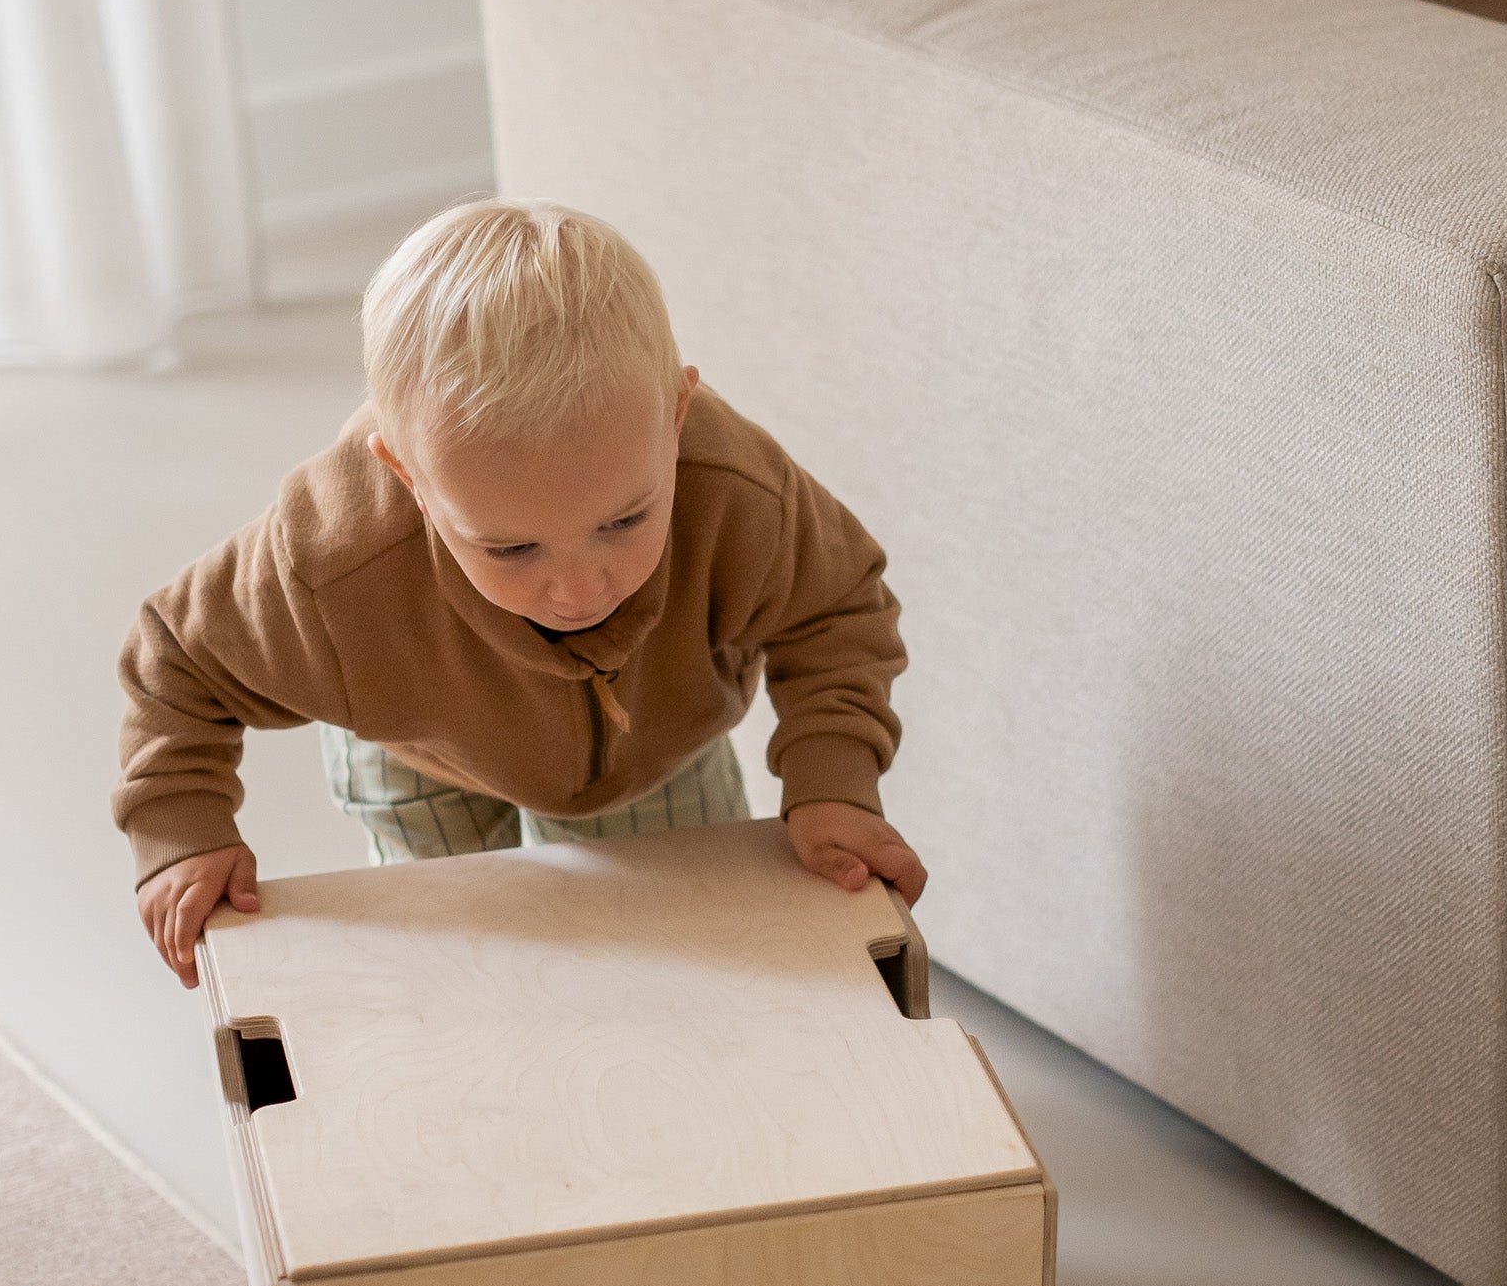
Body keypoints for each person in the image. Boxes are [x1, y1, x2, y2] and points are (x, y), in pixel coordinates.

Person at [115, 198, 924, 988]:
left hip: (656, 737)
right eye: (510, 547)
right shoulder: (335, 560)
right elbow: (178, 658)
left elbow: (837, 608)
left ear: (676, 418)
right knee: (471, 972)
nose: (578, 588)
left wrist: (833, 779)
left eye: (624, 521)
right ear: (408, 478)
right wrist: (181, 828)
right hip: (421, 741)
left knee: (688, 946)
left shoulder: (738, 490)